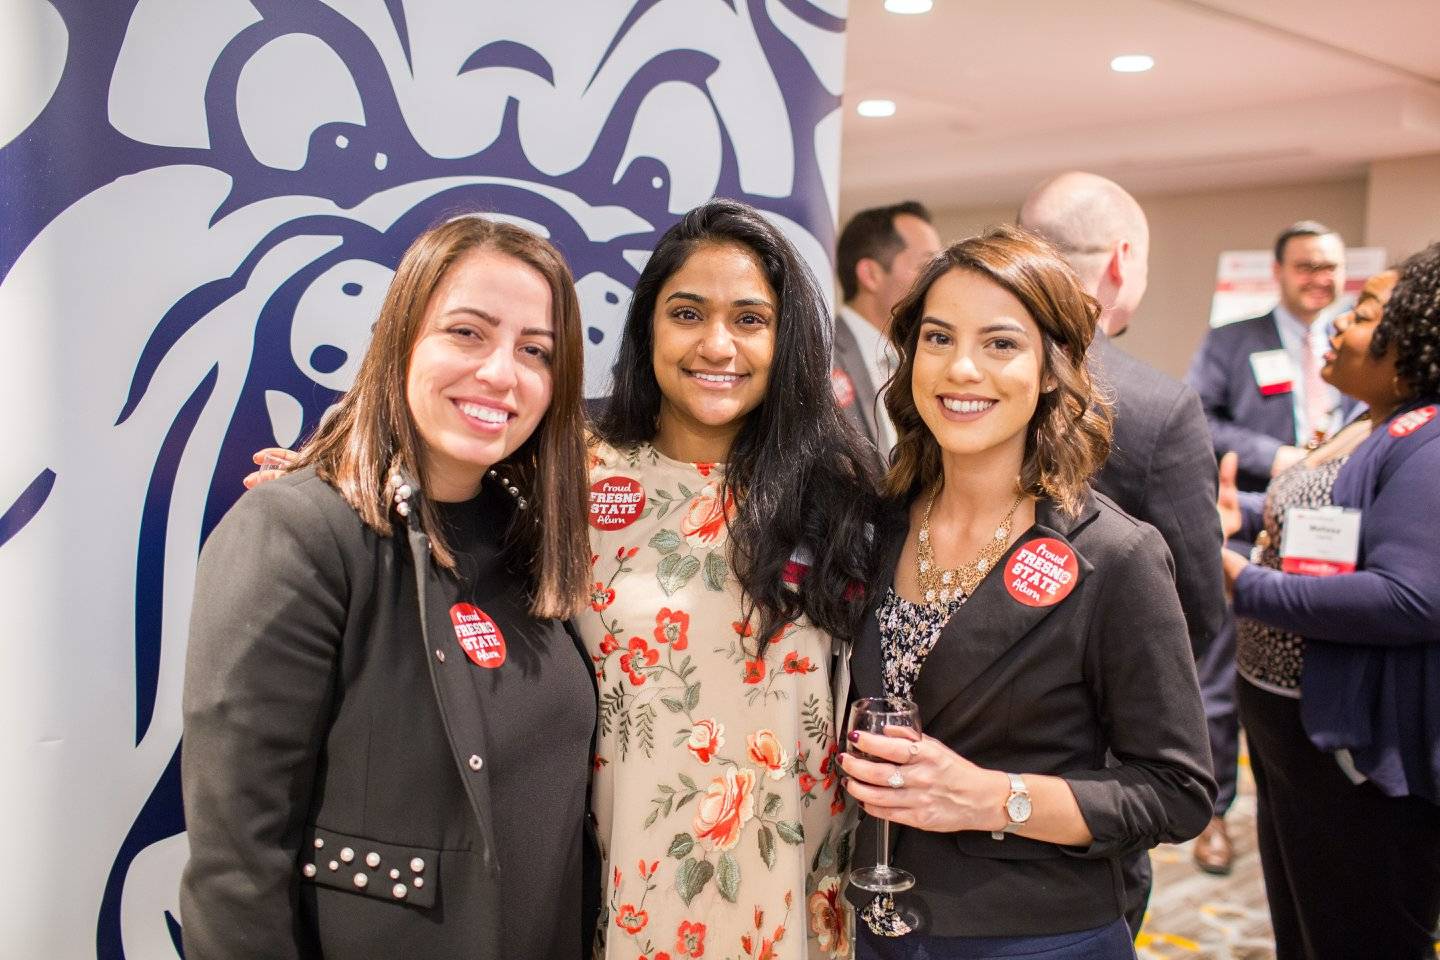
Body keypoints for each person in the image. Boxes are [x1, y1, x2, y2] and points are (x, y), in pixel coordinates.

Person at [180, 216, 596, 960]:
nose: (502, 373)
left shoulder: (532, 541)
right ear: (400, 337)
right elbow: (235, 866)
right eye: (467, 333)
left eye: (535, 351)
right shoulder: (298, 531)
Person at [840, 225, 1214, 958]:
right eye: (938, 338)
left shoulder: (1116, 556)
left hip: (1037, 934)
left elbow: (1176, 791)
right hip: (878, 925)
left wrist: (991, 798)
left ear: (1052, 368)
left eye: (1001, 343)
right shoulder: (873, 524)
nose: (962, 368)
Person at [582, 199, 880, 959]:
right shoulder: (576, 471)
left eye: (750, 319)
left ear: (787, 340)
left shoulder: (840, 494)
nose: (718, 344)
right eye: (688, 313)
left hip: (795, 906)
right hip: (622, 895)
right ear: (649, 325)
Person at [1019, 171, 1226, 933]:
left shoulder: (948, 381)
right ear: (1121, 258)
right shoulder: (1156, 406)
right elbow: (1197, 613)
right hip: (1097, 772)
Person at [1220, 244, 1440, 959]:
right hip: (1289, 725)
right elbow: (1335, 527)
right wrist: (1246, 518)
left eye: (1366, 312)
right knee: (1308, 925)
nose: (1341, 324)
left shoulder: (1429, 440)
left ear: (1412, 336)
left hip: (1354, 749)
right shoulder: (1367, 418)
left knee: (1359, 931)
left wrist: (1246, 584)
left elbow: (1409, 597)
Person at [1184, 220, 1355, 874]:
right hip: (1249, 521)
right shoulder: (1236, 341)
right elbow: (1202, 421)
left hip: (1337, 533)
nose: (1320, 279)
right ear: (1279, 272)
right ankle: (1215, 815)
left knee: (1317, 670)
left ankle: (1316, 810)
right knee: (1225, 676)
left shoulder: (1354, 342)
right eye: (1307, 266)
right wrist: (1280, 456)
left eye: (1330, 267)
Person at [833, 201, 943, 456]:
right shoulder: (818, 355)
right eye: (927, 266)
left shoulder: (918, 359)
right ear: (870, 274)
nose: (938, 280)